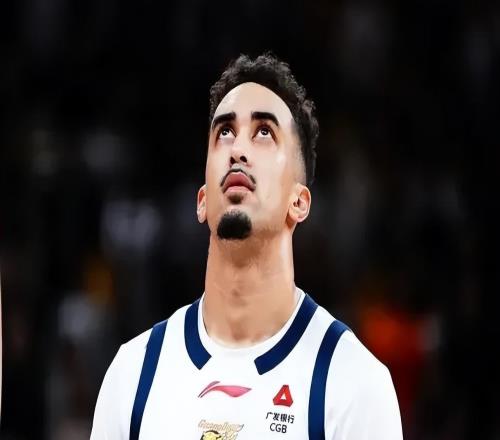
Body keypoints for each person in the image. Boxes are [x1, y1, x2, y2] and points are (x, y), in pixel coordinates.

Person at [90, 53, 403, 440]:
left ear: (299, 201)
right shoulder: (134, 375)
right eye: (224, 132)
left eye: (264, 132)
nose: (238, 149)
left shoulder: (353, 384)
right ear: (202, 200)